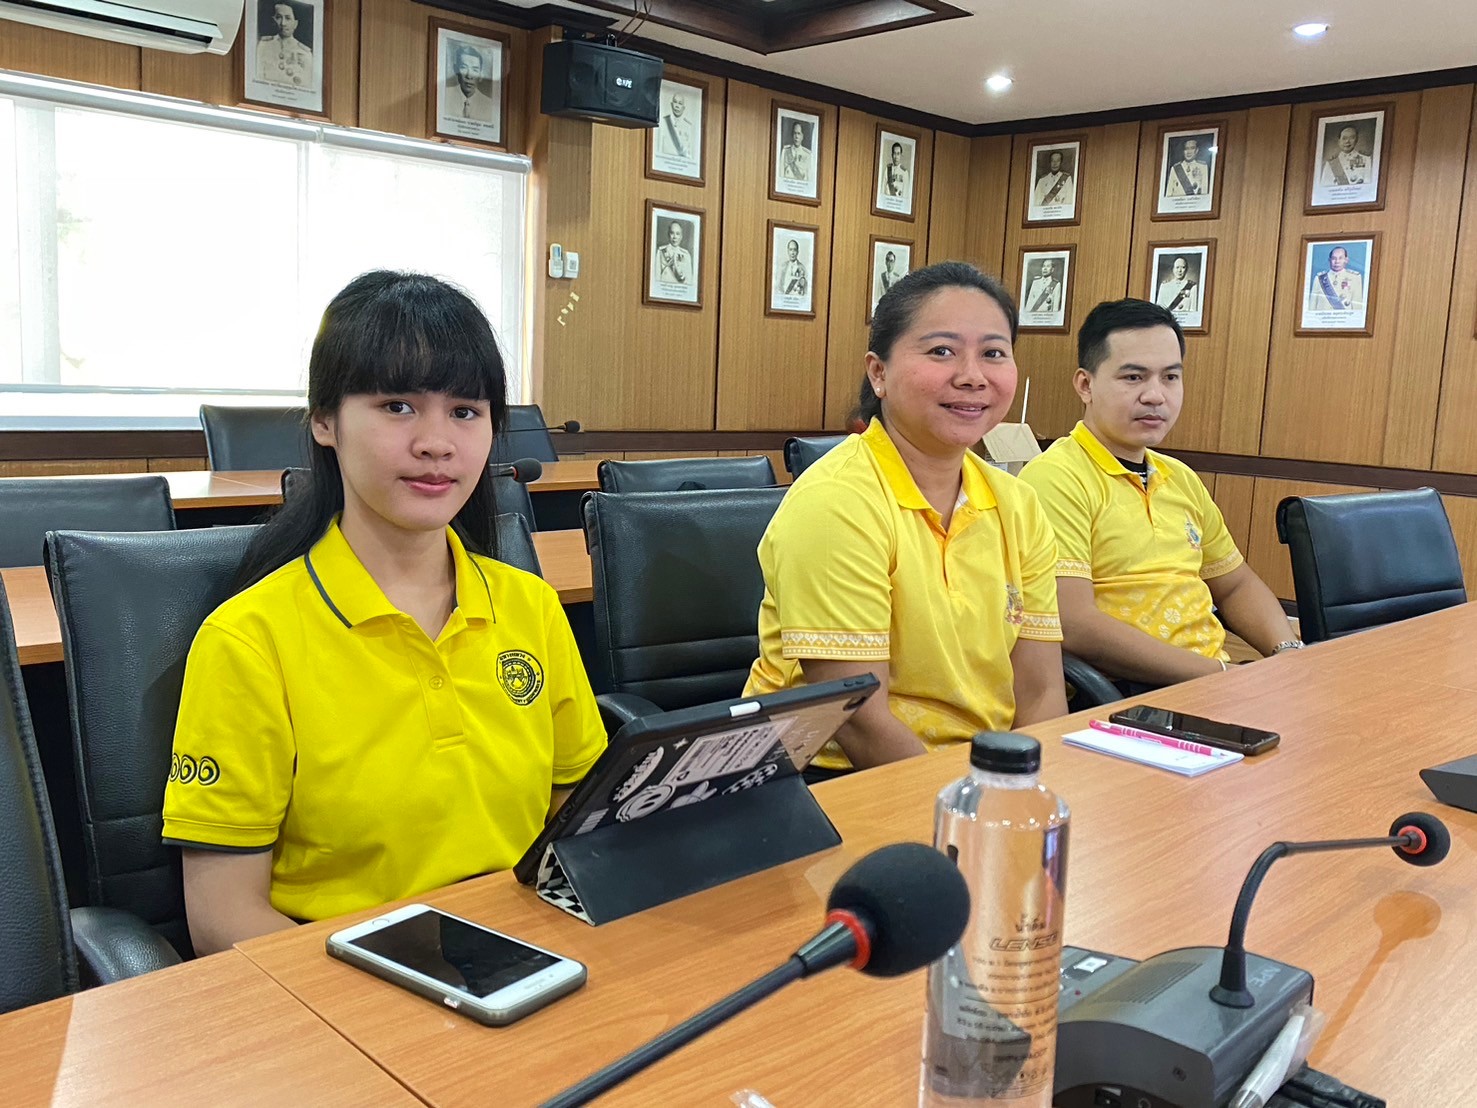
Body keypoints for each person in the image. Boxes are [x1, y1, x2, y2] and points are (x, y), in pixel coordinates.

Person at [161, 271, 605, 953]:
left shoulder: (530, 606)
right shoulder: (248, 640)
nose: (437, 442)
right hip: (340, 981)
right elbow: (222, 917)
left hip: (524, 958)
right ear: (324, 421)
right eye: (398, 406)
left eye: (465, 411)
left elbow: (578, 823)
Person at [745, 261, 1067, 774]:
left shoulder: (1018, 504)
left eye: (993, 353)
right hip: (832, 776)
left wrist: (1023, 789)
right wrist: (972, 807)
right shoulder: (836, 502)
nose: (972, 376)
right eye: (941, 351)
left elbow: (1041, 689)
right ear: (879, 373)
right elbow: (859, 721)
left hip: (982, 773)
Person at [1019, 299, 1301, 689]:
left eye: (1170, 377)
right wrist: (1224, 677)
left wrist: (1289, 654)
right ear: (1085, 385)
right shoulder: (1056, 478)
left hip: (1209, 684)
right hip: (1125, 694)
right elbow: (1074, 622)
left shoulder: (1180, 478)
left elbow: (1235, 584)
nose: (1155, 396)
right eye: (1134, 377)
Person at [256, 1, 313, 88]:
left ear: (295, 23)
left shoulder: (305, 53)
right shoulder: (263, 45)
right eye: (278, 17)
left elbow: (307, 84)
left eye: (288, 18)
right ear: (274, 20)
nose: (283, 23)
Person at [1306, 246, 1363, 312]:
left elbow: (1357, 307)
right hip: (1323, 317)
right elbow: (1312, 306)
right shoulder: (1319, 279)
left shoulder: (1355, 278)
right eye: (1334, 258)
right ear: (1329, 260)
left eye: (1340, 258)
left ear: (1346, 260)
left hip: (1344, 318)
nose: (1337, 261)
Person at [448, 43, 493, 122]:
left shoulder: (490, 105)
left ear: (480, 74)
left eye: (475, 70)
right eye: (464, 67)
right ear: (455, 69)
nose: (469, 76)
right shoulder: (445, 95)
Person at [658, 91, 696, 162]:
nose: (677, 106)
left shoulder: (688, 126)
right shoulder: (663, 121)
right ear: (671, 104)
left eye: (680, 103)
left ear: (683, 107)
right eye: (675, 102)